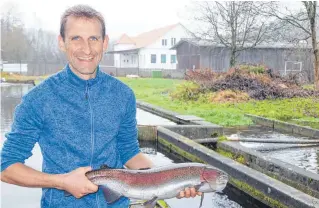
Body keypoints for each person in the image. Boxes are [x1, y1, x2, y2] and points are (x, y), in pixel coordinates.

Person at [0, 4, 200, 208]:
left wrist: (170, 180)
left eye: (93, 39)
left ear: (104, 43)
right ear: (62, 42)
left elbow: (129, 152)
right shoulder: (38, 99)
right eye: (76, 38)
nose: (86, 49)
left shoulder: (123, 95)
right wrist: (61, 182)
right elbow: (6, 167)